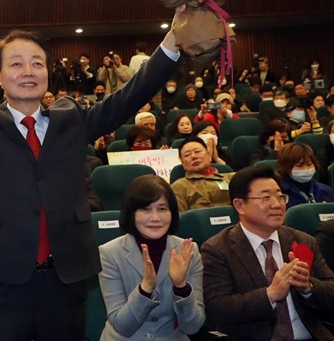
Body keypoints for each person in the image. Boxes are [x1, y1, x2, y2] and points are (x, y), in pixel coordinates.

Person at [0, 27, 181, 340]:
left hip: (65, 279)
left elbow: (130, 95)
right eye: (16, 64)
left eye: (37, 63)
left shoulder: (73, 119)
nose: (28, 71)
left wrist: (174, 40)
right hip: (1, 280)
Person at [201, 165, 334, 340]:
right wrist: (269, 295)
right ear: (240, 205)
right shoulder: (217, 249)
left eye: (280, 197)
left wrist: (308, 287)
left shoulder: (303, 240)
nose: (277, 204)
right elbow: (216, 309)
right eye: (266, 198)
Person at [98, 175, 204, 340]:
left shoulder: (189, 251)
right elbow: (122, 326)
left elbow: (192, 326)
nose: (155, 218)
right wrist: (145, 288)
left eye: (162, 209)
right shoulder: (109, 253)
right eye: (145, 209)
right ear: (131, 213)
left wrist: (180, 286)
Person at [171, 137, 234, 213]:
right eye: (187, 155)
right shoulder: (179, 187)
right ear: (182, 162)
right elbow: (181, 219)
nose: (194, 156)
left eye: (197, 151)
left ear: (209, 155)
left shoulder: (232, 178)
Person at [276, 143, 333, 208]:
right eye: (299, 165)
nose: (306, 169)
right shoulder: (279, 193)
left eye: (309, 164)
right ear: (287, 168)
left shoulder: (326, 191)